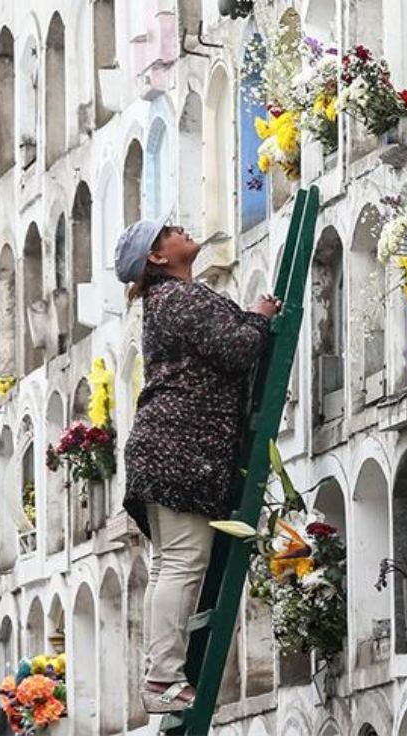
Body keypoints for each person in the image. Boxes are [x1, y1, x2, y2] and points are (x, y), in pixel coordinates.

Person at [113, 217, 281, 713]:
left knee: (169, 564)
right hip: (179, 448)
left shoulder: (164, 300)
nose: (181, 227)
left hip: (165, 447)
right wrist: (258, 315)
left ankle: (159, 675)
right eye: (168, 230)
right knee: (182, 564)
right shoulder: (179, 298)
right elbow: (238, 348)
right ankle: (162, 678)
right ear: (157, 258)